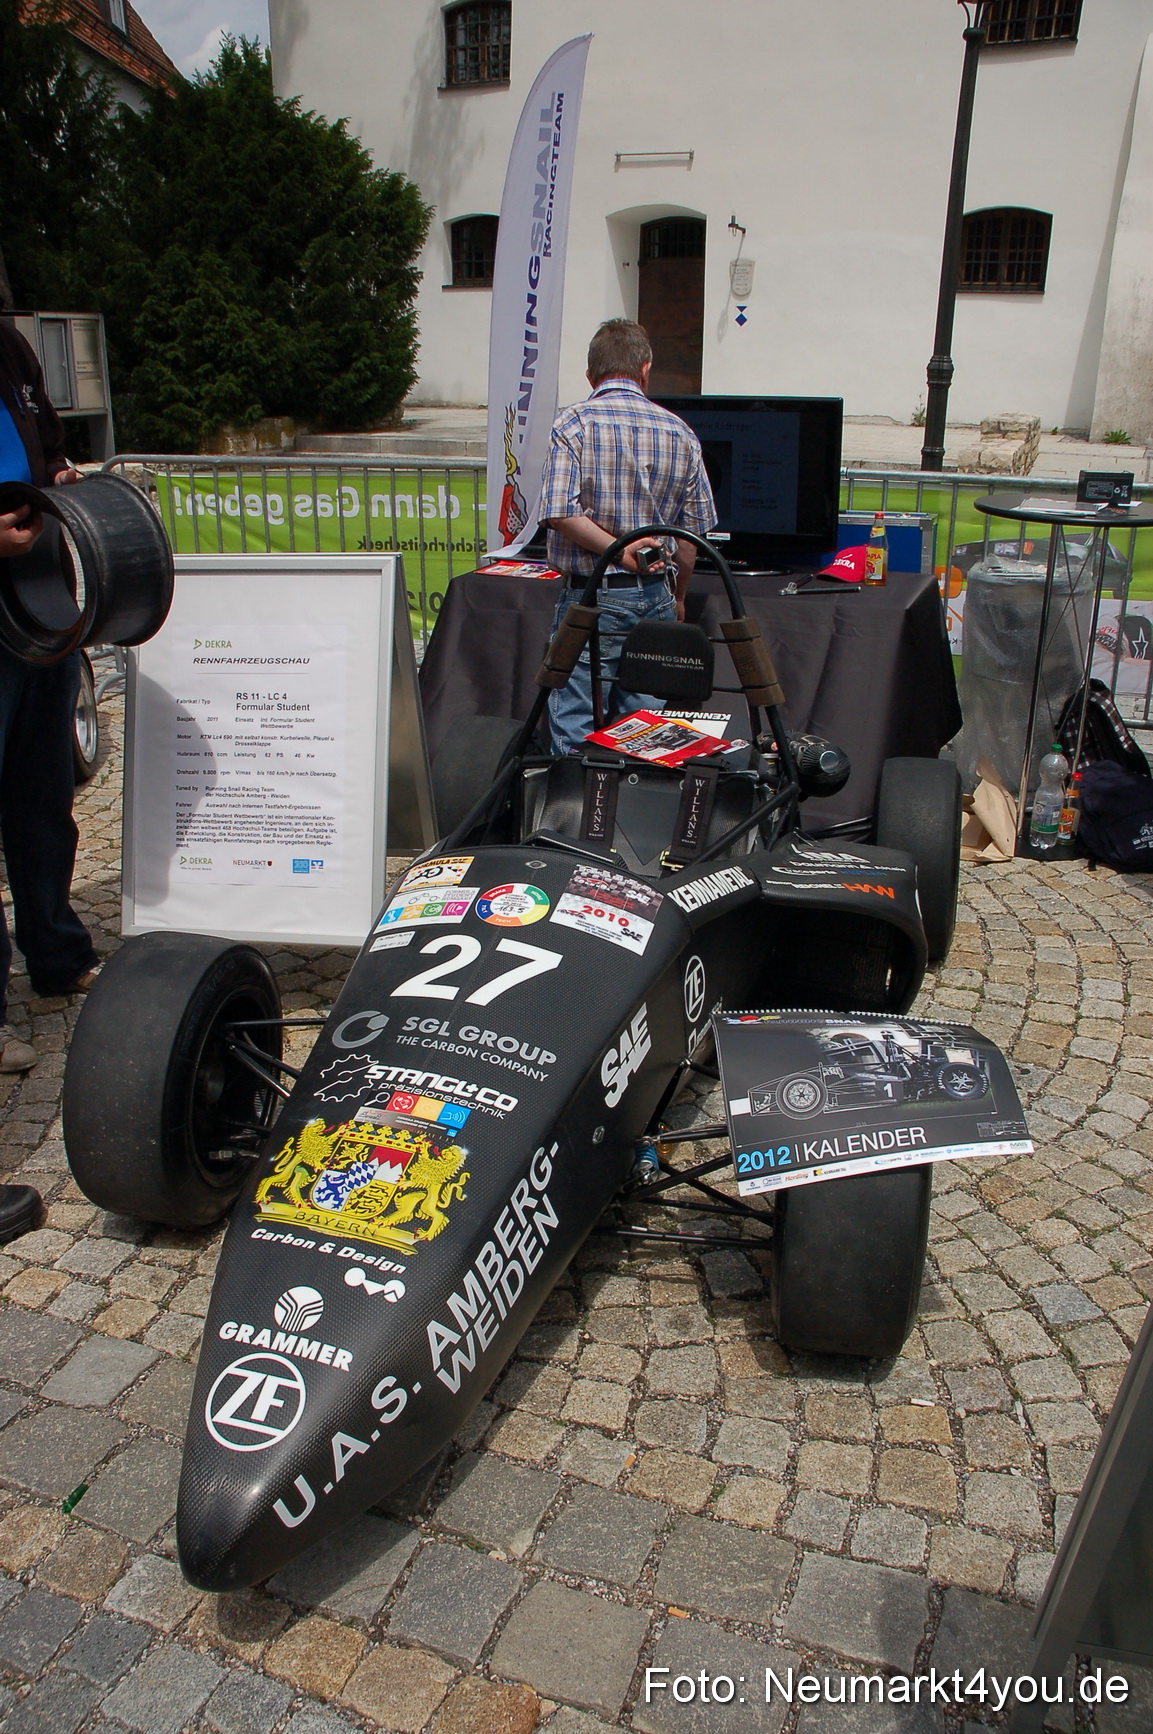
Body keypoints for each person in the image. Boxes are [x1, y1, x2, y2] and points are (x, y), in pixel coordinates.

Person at [538, 319, 716, 755]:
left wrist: (616, 553)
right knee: (644, 725)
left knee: (575, 718)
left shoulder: (573, 424)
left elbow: (558, 511)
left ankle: (575, 814)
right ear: (645, 369)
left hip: (593, 595)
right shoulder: (681, 432)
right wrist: (679, 596)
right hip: (656, 594)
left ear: (590, 375)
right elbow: (692, 533)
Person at [0, 320, 99, 1085]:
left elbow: (47, 442)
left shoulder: (9, 345)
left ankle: (57, 955)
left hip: (38, 609)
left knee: (43, 797)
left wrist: (59, 477)